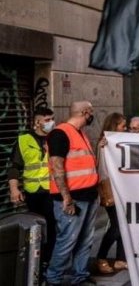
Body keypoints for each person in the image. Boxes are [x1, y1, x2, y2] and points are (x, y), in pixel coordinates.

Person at [45, 101, 99, 286]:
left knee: (85, 240)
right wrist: (66, 198)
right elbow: (57, 167)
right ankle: (53, 279)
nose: (92, 115)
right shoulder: (60, 133)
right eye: (91, 112)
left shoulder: (81, 134)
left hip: (89, 195)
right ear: (85, 112)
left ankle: (80, 276)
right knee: (67, 240)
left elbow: (86, 164)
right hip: (72, 198)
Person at [8, 107, 57, 277]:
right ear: (37, 122)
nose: (51, 122)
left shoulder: (55, 138)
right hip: (32, 193)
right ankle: (35, 262)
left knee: (52, 227)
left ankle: (47, 264)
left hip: (52, 191)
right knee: (36, 229)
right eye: (47, 120)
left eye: (52, 119)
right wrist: (14, 189)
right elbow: (14, 167)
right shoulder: (23, 140)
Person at [95, 113, 128, 274]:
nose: (126, 128)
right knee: (116, 226)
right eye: (123, 125)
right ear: (115, 126)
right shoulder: (105, 144)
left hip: (123, 191)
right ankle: (101, 257)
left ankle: (120, 259)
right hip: (112, 190)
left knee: (123, 225)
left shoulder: (118, 142)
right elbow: (103, 171)